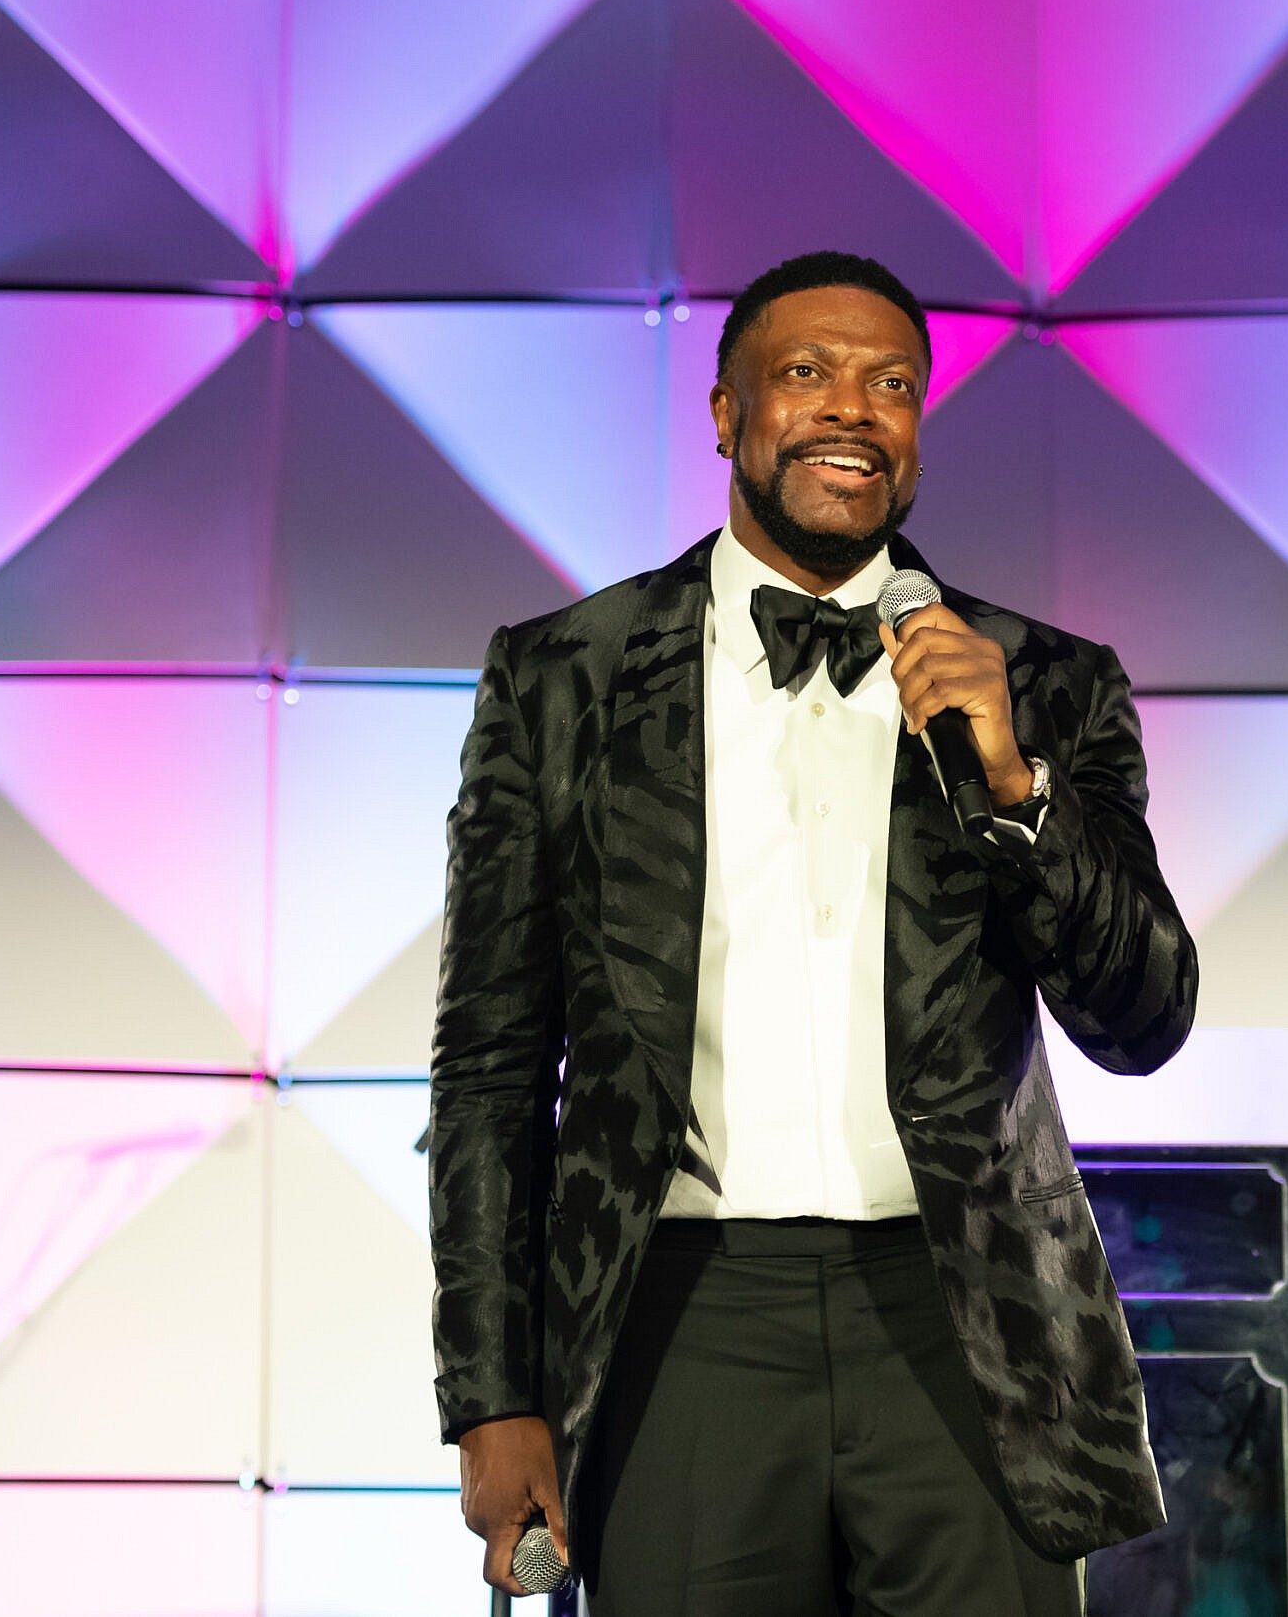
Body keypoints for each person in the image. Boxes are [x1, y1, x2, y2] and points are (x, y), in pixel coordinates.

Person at [427, 249, 1197, 1616]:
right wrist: (492, 1395)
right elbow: (489, 1069)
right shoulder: (563, 679)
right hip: (680, 1316)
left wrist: (1013, 783)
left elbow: (1143, 1021)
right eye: (806, 373)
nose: (852, 407)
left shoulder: (1044, 684)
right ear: (727, 414)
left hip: (968, 1322)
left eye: (892, 384)